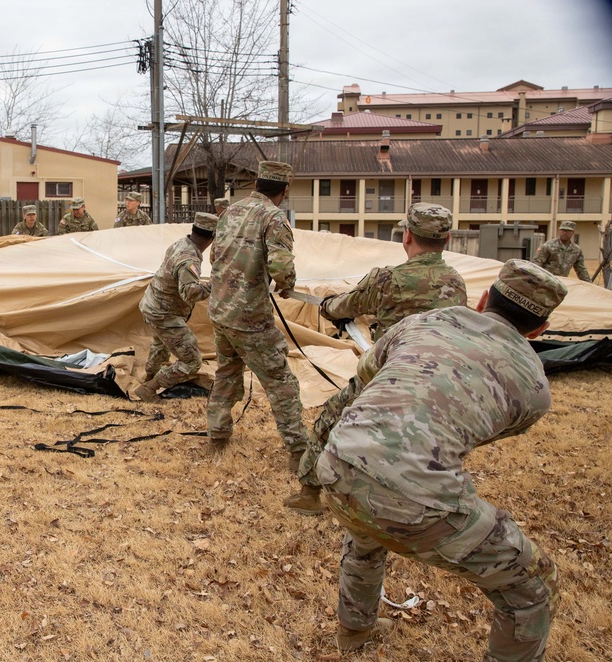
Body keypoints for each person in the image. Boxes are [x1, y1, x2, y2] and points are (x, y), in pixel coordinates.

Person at [315, 259, 566, 658]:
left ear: (483, 300)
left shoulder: (425, 322)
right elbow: (476, 431)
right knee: (533, 585)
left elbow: (364, 378)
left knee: (366, 531)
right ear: (540, 330)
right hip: (411, 495)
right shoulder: (536, 389)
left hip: (338, 463)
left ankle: (354, 632)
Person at [285, 203, 468, 515]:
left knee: (328, 422)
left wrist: (329, 306)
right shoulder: (456, 283)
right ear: (446, 240)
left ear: (407, 236)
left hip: (388, 374)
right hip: (437, 380)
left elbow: (343, 307)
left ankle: (308, 494)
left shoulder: (386, 279)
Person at [206, 160, 310, 466]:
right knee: (281, 383)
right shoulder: (274, 218)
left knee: (226, 374)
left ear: (258, 184)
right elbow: (282, 266)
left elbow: (215, 255)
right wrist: (286, 284)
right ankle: (300, 451)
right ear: (285, 189)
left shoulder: (230, 212)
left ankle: (218, 436)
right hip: (250, 318)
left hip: (220, 310)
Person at [135, 212, 217, 402]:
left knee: (160, 343)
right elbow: (189, 292)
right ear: (213, 237)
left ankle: (150, 376)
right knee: (192, 361)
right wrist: (215, 284)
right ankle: (149, 388)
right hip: (164, 313)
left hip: (152, 304)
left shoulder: (181, 243)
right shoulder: (190, 260)